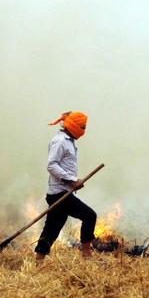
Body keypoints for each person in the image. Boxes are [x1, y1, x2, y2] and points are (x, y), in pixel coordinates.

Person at [35, 111, 97, 261]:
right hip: (60, 194)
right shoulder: (60, 141)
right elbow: (51, 165)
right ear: (74, 126)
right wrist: (72, 180)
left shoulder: (68, 141)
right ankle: (87, 255)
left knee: (52, 228)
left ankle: (39, 260)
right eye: (82, 127)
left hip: (62, 192)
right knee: (89, 215)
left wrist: (73, 182)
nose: (84, 131)